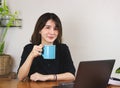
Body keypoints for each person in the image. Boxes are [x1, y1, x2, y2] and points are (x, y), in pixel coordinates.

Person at [17, 12, 76, 82]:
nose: (52, 32)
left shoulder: (63, 48)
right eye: (47, 27)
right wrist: (31, 55)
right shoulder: (29, 48)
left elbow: (72, 76)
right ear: (39, 30)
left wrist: (46, 77)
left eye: (55, 29)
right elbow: (20, 77)